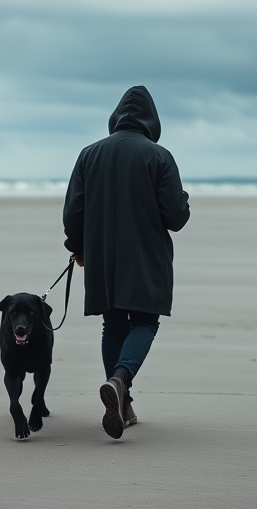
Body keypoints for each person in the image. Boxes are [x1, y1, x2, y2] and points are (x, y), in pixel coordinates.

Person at [62, 85, 190, 439]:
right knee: (145, 322)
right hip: (146, 254)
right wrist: (184, 200)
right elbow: (176, 217)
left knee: (113, 325)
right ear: (153, 120)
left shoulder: (89, 154)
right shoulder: (158, 156)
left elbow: (73, 210)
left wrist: (77, 246)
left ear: (115, 117)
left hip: (102, 253)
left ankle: (124, 402)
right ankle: (120, 380)